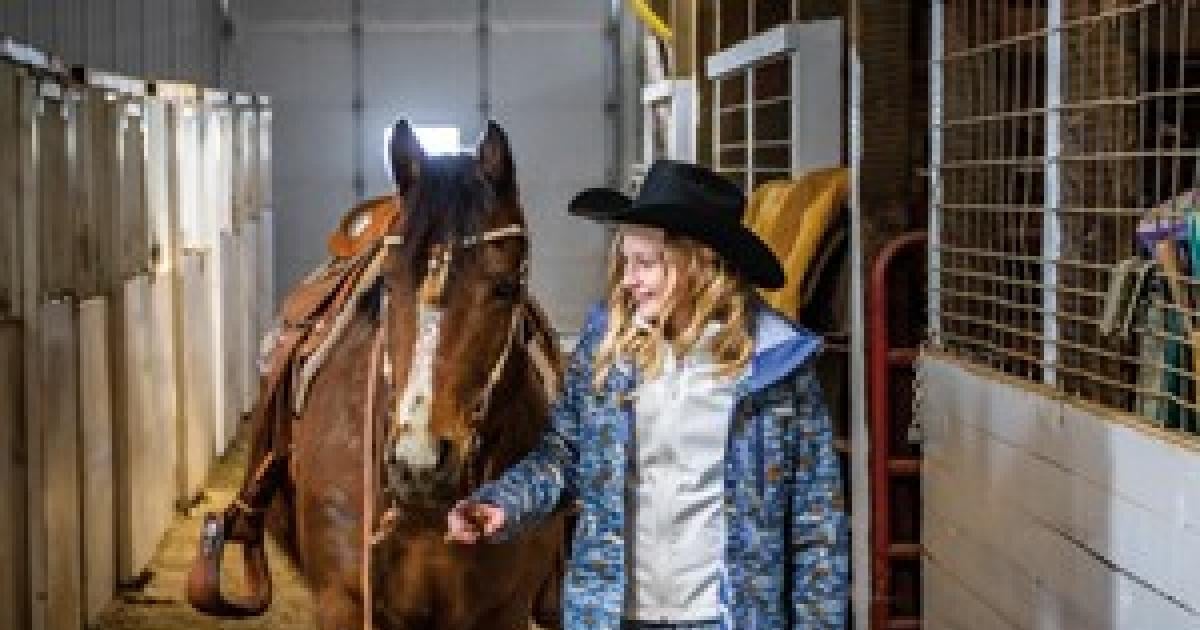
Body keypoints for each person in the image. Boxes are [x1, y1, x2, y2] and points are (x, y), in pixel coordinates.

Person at [446, 160, 848, 629]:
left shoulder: (777, 366)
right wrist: (503, 504)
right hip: (615, 613)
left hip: (730, 618)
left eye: (646, 264)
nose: (628, 280)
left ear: (701, 263)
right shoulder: (608, 351)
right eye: (625, 262)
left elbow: (817, 528)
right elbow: (564, 456)